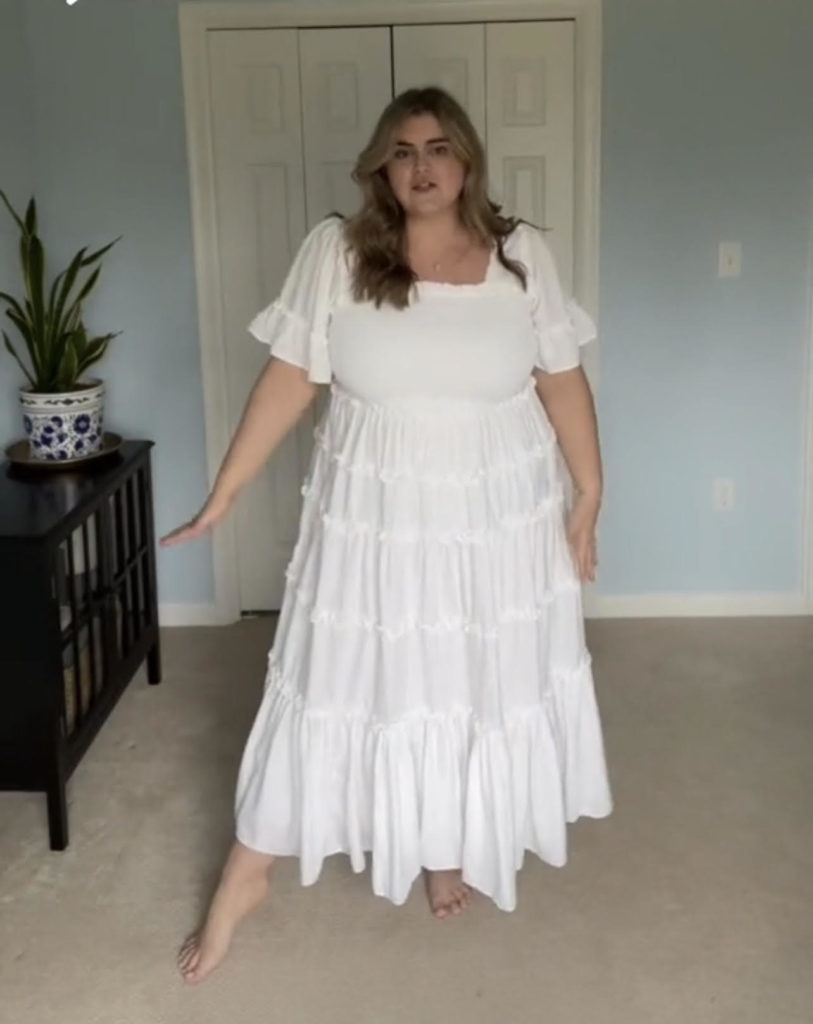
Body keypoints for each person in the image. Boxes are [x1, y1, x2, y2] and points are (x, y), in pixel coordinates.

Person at [161, 86, 612, 985]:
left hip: (496, 518)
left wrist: (589, 493)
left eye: (438, 148)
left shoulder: (522, 258)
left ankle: (442, 844)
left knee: (469, 680)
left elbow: (561, 378)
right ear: (381, 166)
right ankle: (247, 871)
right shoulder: (339, 252)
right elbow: (290, 377)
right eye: (402, 152)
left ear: (468, 161)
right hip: (374, 519)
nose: (422, 167)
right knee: (332, 680)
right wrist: (224, 493)